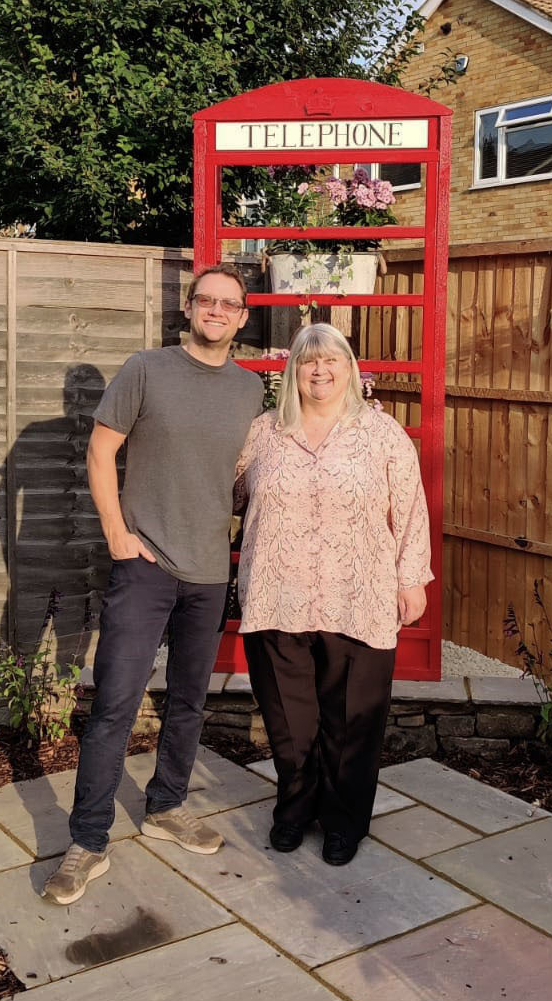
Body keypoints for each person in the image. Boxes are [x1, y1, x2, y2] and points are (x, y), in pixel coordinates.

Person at [42, 265, 263, 905]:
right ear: (188, 308)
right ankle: (87, 840)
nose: (217, 311)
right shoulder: (146, 368)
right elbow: (99, 451)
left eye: (230, 304)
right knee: (115, 702)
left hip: (209, 569)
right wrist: (116, 532)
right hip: (145, 563)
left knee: (190, 700)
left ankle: (166, 806)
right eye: (207, 301)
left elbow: (248, 474)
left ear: (243, 318)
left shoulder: (250, 393)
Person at [235, 323, 431, 866]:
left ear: (350, 369)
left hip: (359, 595)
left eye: (332, 361)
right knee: (289, 721)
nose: (320, 372)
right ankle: (294, 810)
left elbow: (411, 507)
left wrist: (411, 577)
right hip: (276, 594)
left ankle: (345, 820)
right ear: (292, 371)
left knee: (352, 720)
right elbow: (223, 494)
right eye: (307, 362)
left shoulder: (382, 433)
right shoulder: (262, 434)